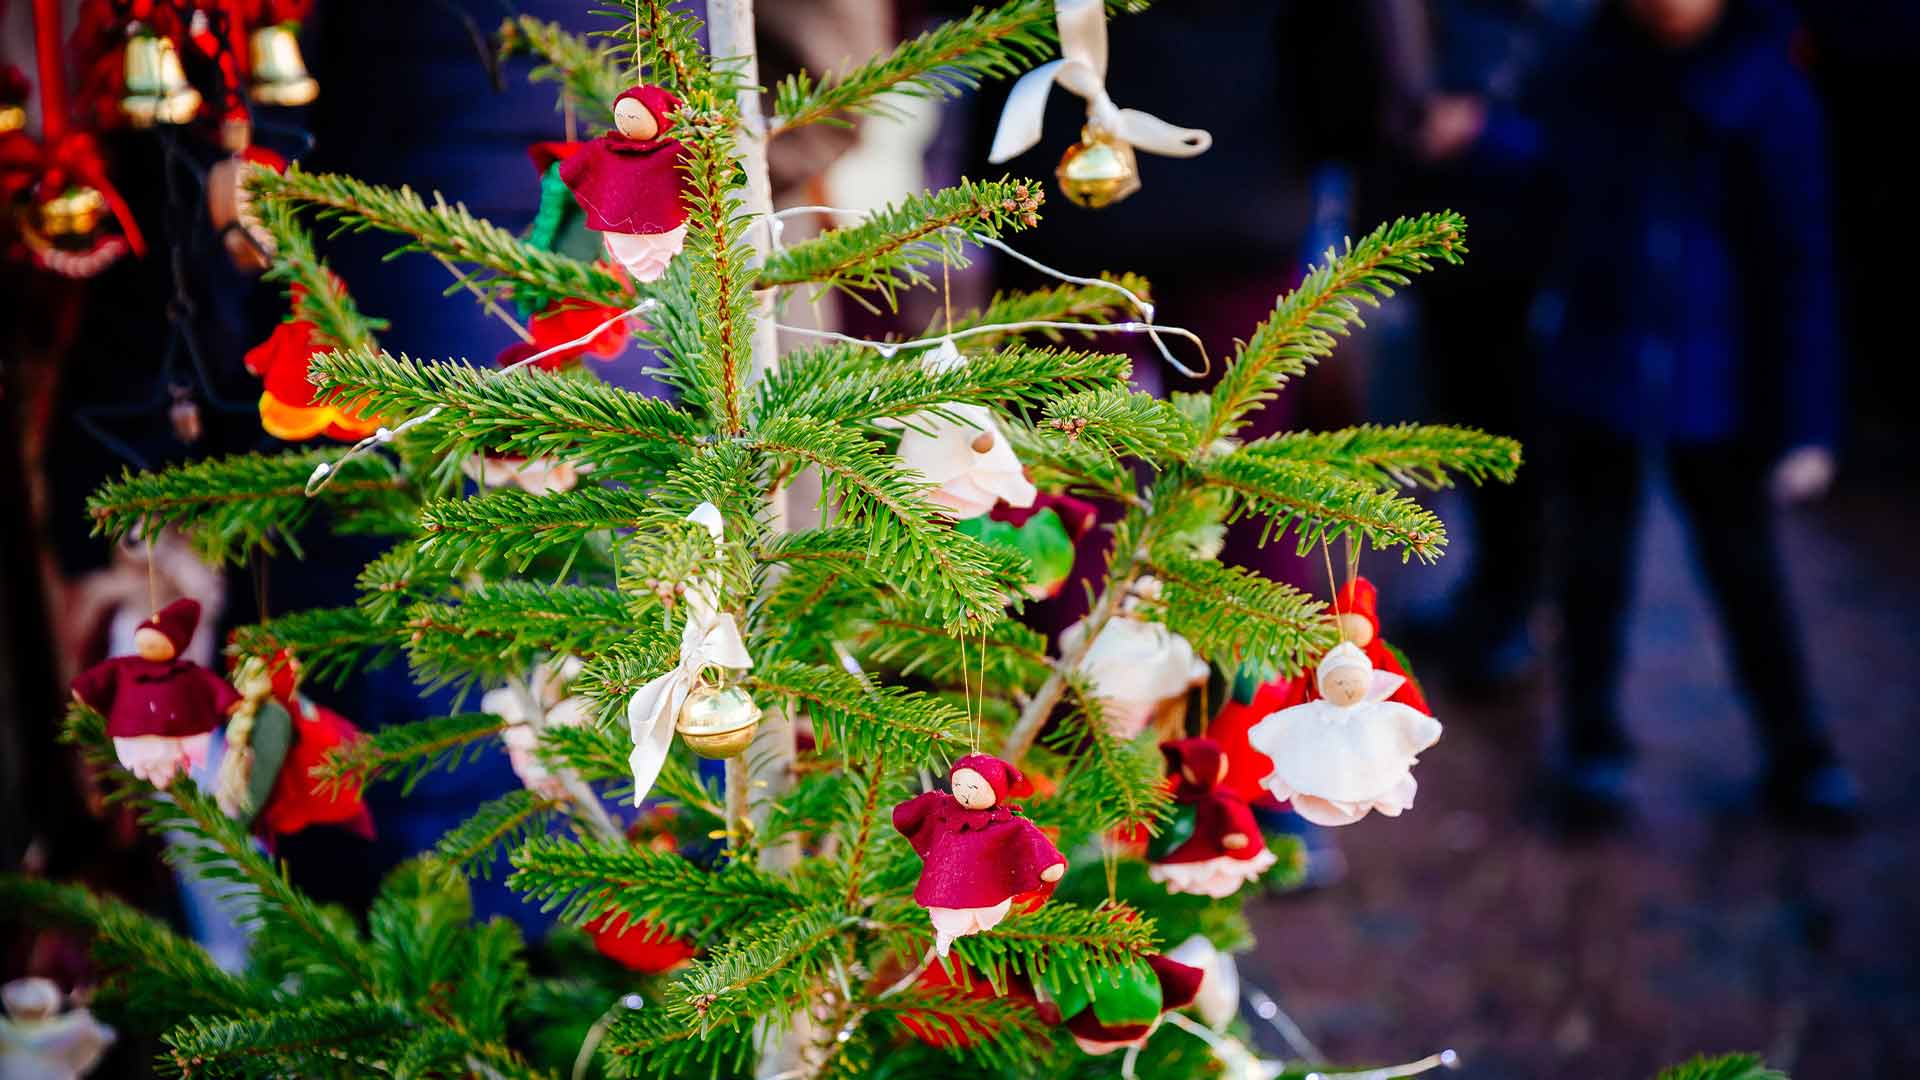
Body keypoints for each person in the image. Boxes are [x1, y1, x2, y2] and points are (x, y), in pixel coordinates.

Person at [1458, 0, 1857, 826]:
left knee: (1745, 567)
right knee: (1591, 568)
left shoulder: (1768, 89)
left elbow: (1800, 266)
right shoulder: (1588, 68)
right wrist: (1478, 140)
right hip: (1597, 362)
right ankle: (1592, 743)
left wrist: (1807, 422)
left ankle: (1799, 746)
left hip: (1722, 384)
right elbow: (1547, 174)